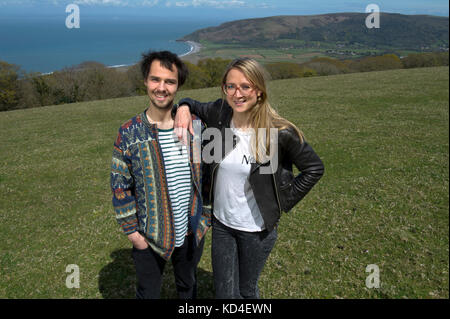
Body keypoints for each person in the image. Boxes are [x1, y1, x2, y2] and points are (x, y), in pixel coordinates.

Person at [174, 58, 324, 299]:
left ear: (259, 91)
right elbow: (191, 103)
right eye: (230, 86)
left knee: (246, 291)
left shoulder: (278, 132)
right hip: (222, 224)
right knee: (224, 294)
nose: (237, 93)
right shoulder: (220, 114)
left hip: (257, 230)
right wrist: (182, 107)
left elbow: (314, 168)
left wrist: (284, 199)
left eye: (245, 86)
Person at [110, 50, 210, 299]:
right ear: (145, 80)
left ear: (178, 86)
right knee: (148, 293)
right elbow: (119, 187)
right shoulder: (129, 133)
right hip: (149, 236)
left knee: (188, 288)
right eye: (155, 79)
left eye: (170, 81)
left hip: (191, 232)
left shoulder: (196, 126)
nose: (161, 88)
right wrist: (134, 235)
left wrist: (205, 219)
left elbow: (208, 177)